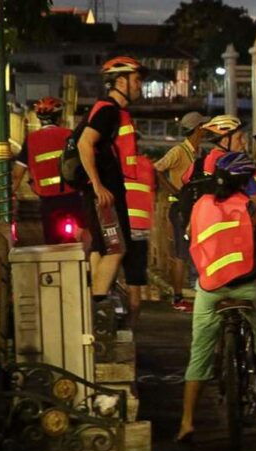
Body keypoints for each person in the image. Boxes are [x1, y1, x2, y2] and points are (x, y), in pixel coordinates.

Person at [176, 152, 256, 444]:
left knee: (199, 352)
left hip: (210, 288)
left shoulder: (200, 204)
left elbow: (189, 236)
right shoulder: (248, 206)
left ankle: (186, 422)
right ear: (245, 182)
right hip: (246, 286)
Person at [77, 56, 146, 302]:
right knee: (117, 249)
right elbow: (85, 143)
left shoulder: (110, 110)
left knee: (101, 248)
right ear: (120, 81)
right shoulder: (107, 110)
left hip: (102, 190)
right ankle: (97, 305)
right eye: (136, 80)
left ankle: (93, 308)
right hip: (103, 192)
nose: (140, 86)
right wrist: (98, 186)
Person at [154, 112, 209, 312]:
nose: (205, 129)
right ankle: (177, 298)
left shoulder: (198, 152)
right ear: (197, 129)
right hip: (180, 209)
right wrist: (173, 190)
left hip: (194, 209)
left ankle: (197, 292)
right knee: (181, 254)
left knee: (194, 252)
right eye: (203, 126)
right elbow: (156, 169)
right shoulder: (179, 151)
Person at [12, 97, 84, 244]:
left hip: (48, 200)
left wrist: (10, 196)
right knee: (85, 232)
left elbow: (17, 175)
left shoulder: (31, 140)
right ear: (59, 117)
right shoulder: (69, 135)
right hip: (73, 196)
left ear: (39, 119)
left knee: (52, 244)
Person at [121, 153, 155, 328]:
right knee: (134, 282)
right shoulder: (146, 164)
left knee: (105, 276)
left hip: (116, 229)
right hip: (141, 230)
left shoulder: (111, 161)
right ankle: (131, 328)